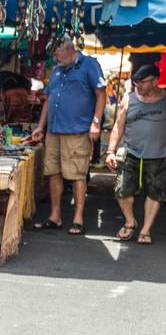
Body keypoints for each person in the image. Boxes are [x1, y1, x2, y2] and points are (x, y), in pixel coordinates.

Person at [29, 36, 107, 235]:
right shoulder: (57, 71)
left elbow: (101, 93)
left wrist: (96, 122)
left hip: (76, 130)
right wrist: (40, 126)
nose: (55, 58)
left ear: (69, 49)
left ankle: (78, 219)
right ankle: (55, 217)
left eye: (57, 53)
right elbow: (48, 100)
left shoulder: (89, 64)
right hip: (54, 130)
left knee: (77, 175)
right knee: (53, 173)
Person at [106, 64, 166, 244]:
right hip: (130, 152)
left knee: (155, 194)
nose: (138, 85)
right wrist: (110, 151)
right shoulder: (129, 99)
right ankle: (130, 221)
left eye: (142, 82)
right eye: (136, 82)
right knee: (121, 190)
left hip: (158, 155)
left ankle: (145, 230)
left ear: (155, 81)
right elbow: (118, 126)